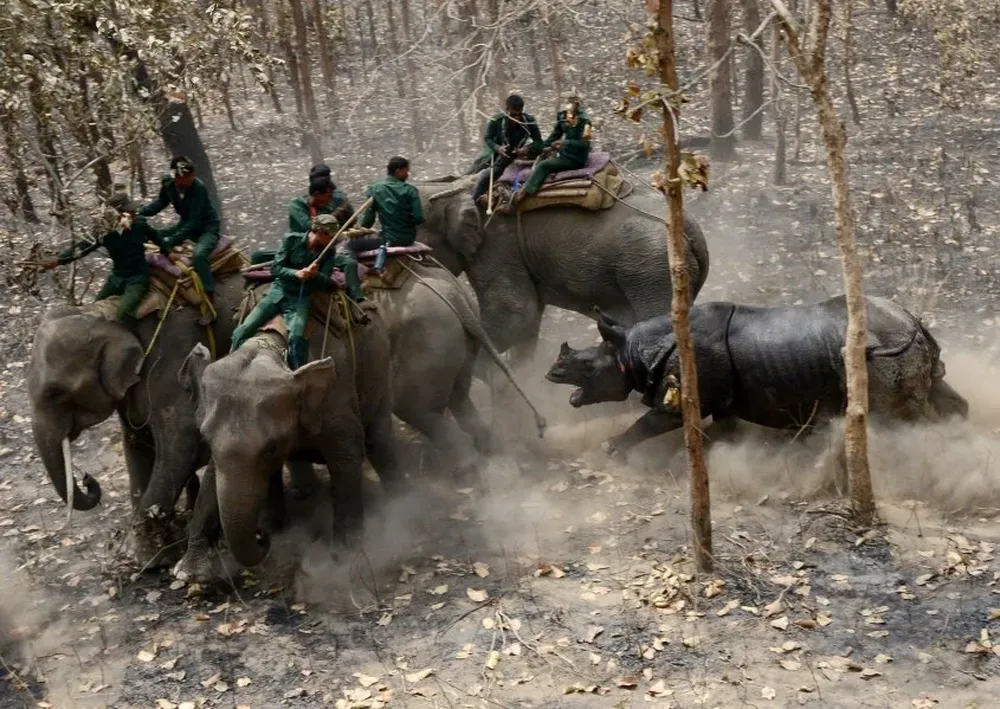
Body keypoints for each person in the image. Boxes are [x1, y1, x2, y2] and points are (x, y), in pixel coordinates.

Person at [230, 214, 363, 370]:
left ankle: (298, 374)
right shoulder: (291, 240)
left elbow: (326, 280)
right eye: (331, 237)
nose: (333, 241)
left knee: (298, 337)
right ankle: (231, 362)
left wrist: (315, 275)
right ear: (320, 233)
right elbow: (276, 268)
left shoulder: (328, 252)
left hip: (300, 299)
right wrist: (296, 274)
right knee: (244, 329)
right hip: (278, 292)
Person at [41, 192, 165, 329]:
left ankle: (134, 341)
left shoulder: (139, 224)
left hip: (137, 278)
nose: (134, 213)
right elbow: (82, 248)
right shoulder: (104, 233)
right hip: (117, 278)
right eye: (129, 211)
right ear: (116, 214)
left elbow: (156, 237)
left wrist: (169, 252)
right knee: (94, 309)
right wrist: (59, 260)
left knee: (123, 313)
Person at [139, 156, 221, 325]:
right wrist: (139, 214)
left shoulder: (199, 188)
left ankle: (211, 301)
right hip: (185, 224)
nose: (190, 179)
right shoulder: (168, 183)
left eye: (191, 176)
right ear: (175, 176)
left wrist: (171, 241)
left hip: (206, 228)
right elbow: (161, 202)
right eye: (185, 177)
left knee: (199, 255)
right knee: (155, 236)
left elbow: (194, 222)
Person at [514, 94, 593, 206]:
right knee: (539, 159)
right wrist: (541, 147)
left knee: (544, 165)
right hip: (563, 153)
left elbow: (585, 144)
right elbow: (555, 136)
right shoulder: (563, 117)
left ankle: (522, 195)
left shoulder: (585, 122)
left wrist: (565, 143)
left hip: (575, 157)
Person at [469, 94, 544, 207]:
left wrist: (527, 149)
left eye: (519, 115)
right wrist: (497, 148)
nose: (517, 119)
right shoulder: (497, 120)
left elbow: (539, 142)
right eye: (513, 115)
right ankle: (475, 200)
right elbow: (488, 138)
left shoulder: (529, 121)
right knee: (485, 175)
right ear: (506, 110)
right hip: (501, 154)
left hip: (521, 155)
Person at [349, 156, 424, 264]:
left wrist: (360, 231)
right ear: (398, 171)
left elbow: (368, 220)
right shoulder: (411, 190)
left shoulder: (375, 188)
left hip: (387, 240)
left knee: (350, 245)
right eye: (406, 171)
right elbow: (419, 218)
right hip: (408, 239)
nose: (408, 175)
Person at [288, 169, 353, 234]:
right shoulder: (296, 205)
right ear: (317, 194)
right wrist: (332, 217)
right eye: (328, 196)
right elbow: (308, 225)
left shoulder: (326, 208)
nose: (330, 200)